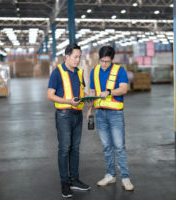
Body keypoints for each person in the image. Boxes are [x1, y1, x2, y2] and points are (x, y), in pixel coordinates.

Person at [87, 46, 134, 191]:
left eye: (107, 61)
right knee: (106, 146)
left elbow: (124, 89)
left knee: (119, 147)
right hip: (100, 114)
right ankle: (110, 174)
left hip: (115, 114)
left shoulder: (119, 71)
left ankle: (125, 177)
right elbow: (93, 92)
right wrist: (89, 110)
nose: (104, 64)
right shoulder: (94, 71)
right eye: (102, 61)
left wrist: (108, 92)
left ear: (112, 59)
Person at [47, 44, 91, 198]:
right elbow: (50, 95)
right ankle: (64, 183)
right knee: (65, 149)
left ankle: (74, 180)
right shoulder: (57, 73)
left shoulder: (79, 72)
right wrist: (67, 101)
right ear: (67, 57)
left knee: (75, 148)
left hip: (77, 114)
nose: (78, 60)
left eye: (79, 57)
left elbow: (81, 90)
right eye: (75, 57)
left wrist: (87, 98)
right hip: (64, 115)